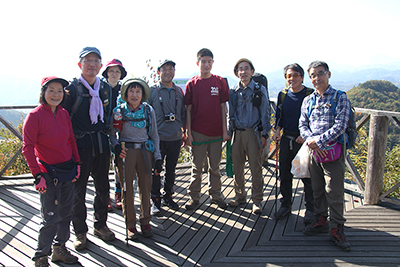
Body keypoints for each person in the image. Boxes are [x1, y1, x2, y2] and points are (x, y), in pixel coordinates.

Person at [23, 76, 80, 266]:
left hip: (67, 169)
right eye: (51, 90)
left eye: (59, 91)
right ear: (43, 92)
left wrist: (77, 164)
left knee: (66, 213)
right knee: (49, 217)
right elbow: (27, 147)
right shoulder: (35, 116)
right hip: (47, 173)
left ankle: (59, 249)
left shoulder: (64, 113)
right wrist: (37, 175)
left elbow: (71, 140)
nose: (56, 94)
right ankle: (41, 256)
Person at [63, 47, 115, 250]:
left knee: (103, 188)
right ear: (80, 64)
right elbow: (64, 118)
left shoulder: (105, 88)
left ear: (101, 65)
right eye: (88, 60)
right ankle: (80, 231)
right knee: (79, 191)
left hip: (101, 144)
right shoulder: (72, 89)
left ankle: (100, 225)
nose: (92, 64)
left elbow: (109, 114)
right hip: (80, 146)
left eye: (96, 61)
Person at [299, 60, 351, 252]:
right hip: (314, 151)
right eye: (313, 75)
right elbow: (302, 125)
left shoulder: (340, 97)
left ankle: (337, 228)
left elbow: (341, 125)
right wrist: (311, 141)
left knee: (334, 191)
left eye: (320, 73)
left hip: (333, 151)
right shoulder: (308, 100)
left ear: (328, 74)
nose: (317, 78)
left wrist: (318, 141)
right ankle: (321, 220)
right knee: (318, 188)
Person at [110, 78, 162, 239]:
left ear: (142, 94)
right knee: (127, 190)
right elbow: (111, 135)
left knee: (145, 187)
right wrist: (116, 147)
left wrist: (158, 157)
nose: (134, 94)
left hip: (145, 152)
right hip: (125, 152)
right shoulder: (118, 111)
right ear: (125, 94)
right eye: (131, 91)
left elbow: (154, 135)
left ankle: (145, 221)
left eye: (138, 91)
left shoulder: (148, 110)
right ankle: (130, 225)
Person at [184, 48, 230, 210]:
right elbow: (188, 111)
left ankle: (216, 195)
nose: (206, 64)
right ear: (198, 63)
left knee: (215, 167)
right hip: (197, 132)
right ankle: (194, 197)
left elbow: (223, 108)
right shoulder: (192, 83)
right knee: (197, 168)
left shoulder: (219, 82)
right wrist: (188, 134)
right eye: (203, 61)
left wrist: (225, 131)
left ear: (213, 63)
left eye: (209, 61)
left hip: (217, 132)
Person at [227, 58, 271, 214]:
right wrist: (229, 132)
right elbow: (230, 113)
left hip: (254, 133)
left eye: (246, 68)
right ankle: (240, 196)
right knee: (237, 167)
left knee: (256, 168)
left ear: (252, 71)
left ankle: (257, 200)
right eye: (240, 69)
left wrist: (265, 134)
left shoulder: (259, 90)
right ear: (236, 72)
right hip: (237, 134)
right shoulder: (233, 90)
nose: (243, 72)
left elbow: (266, 112)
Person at [272, 63, 315, 224]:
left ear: (302, 77)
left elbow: (314, 118)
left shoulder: (310, 94)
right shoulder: (283, 95)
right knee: (284, 173)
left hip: (304, 141)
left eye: (295, 75)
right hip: (286, 138)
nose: (292, 79)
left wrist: (305, 136)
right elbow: (279, 116)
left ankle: (310, 209)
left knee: (307, 175)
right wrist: (277, 130)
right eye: (289, 76)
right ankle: (286, 204)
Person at [147, 60, 186, 214]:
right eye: (165, 69)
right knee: (155, 170)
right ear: (159, 72)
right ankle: (155, 200)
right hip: (157, 139)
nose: (168, 72)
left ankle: (168, 196)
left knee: (171, 170)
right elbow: (146, 115)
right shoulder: (152, 91)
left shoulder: (178, 91)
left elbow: (183, 113)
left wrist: (184, 132)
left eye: (171, 69)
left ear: (174, 71)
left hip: (175, 137)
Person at [102, 58, 127, 211]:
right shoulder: (99, 88)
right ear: (106, 72)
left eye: (117, 71)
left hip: (119, 131)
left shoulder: (123, 90)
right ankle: (105, 196)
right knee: (102, 165)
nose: (114, 74)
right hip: (101, 131)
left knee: (119, 163)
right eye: (111, 71)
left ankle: (119, 193)